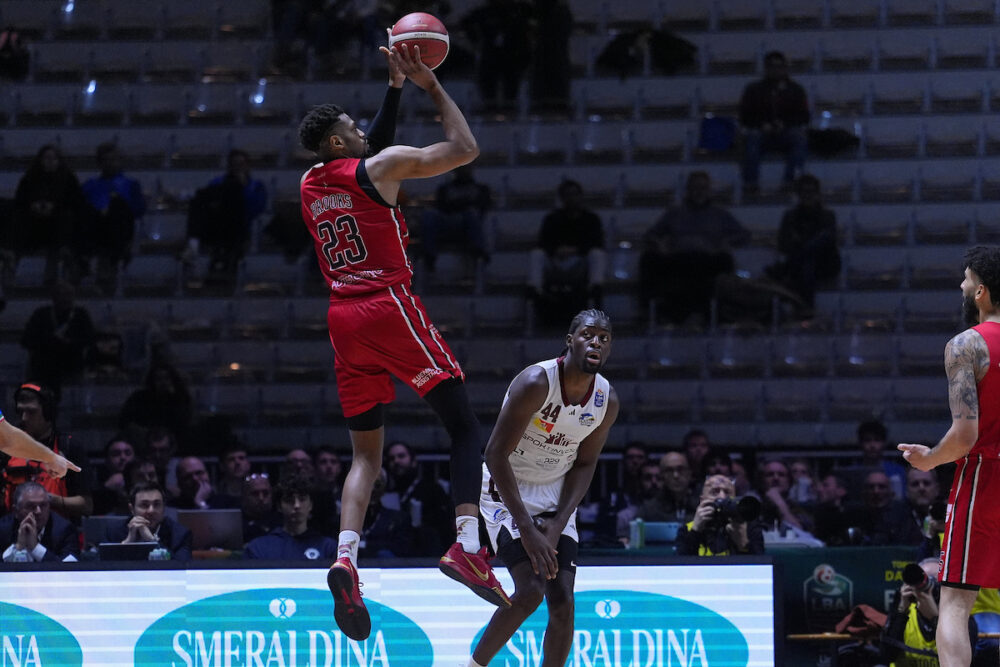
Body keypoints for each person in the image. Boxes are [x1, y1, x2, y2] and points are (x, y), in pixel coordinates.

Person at [297, 42, 509, 641]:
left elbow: (369, 156)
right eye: (352, 127)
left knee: (367, 456)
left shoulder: (311, 181)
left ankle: (346, 559)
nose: (363, 129)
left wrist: (391, 90)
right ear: (338, 141)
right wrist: (429, 86)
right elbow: (465, 149)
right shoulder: (379, 168)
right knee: (464, 425)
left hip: (341, 318)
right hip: (388, 306)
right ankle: (468, 544)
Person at [467, 309, 619, 667]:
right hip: (507, 489)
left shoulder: (606, 400)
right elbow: (495, 453)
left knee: (563, 601)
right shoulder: (537, 381)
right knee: (531, 590)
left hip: (555, 494)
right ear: (570, 341)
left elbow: (585, 463)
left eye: (604, 338)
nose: (596, 341)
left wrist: (557, 522)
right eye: (587, 335)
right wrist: (526, 527)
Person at [898, 245, 1000, 667]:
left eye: (965, 278)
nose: (961, 284)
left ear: (980, 289)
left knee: (956, 602)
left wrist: (929, 459)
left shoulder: (967, 345)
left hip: (985, 477)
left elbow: (964, 435)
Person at [638, 171, 750, 326]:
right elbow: (651, 234)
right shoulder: (675, 213)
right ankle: (650, 312)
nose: (699, 192)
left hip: (707, 259)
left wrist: (727, 243)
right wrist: (659, 245)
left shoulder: (719, 214)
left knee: (725, 260)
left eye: (703, 188)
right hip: (678, 258)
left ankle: (715, 314)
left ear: (709, 190)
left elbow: (744, 235)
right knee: (648, 258)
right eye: (695, 188)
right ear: (688, 190)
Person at [1, 383, 91, 519]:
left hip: (58, 532)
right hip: (12, 528)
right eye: (20, 412)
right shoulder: (6, 449)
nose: (24, 418)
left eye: (31, 412)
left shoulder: (67, 445)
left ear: (49, 413)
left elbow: (87, 506)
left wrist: (45, 498)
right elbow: (11, 441)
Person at [527, 180, 607, 326]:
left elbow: (597, 242)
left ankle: (595, 289)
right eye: (567, 195)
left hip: (579, 264)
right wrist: (557, 250)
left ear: (581, 196)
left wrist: (575, 250)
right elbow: (543, 242)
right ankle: (535, 291)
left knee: (597, 254)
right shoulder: (552, 219)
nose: (572, 199)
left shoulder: (591, 219)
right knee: (536, 254)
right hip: (556, 262)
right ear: (562, 198)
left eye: (575, 194)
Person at [182, 148, 267, 279]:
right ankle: (194, 244)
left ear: (247, 166)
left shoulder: (256, 186)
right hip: (217, 226)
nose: (238, 168)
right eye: (234, 165)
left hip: (239, 228)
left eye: (241, 164)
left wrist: (243, 187)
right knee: (199, 200)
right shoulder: (218, 183)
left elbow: (255, 209)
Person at [12, 144, 88, 286]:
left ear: (59, 161)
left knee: (65, 221)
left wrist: (55, 207)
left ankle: (54, 273)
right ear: (40, 160)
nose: (50, 161)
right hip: (33, 226)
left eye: (54, 158)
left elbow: (76, 203)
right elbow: (19, 202)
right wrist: (32, 206)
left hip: (58, 227)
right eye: (47, 158)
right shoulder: (28, 179)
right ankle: (9, 272)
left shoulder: (68, 179)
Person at [881, 558, 977, 666]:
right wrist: (901, 612)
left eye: (934, 581)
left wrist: (935, 619)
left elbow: (964, 659)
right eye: (922, 578)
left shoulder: (959, 615)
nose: (925, 584)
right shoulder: (903, 610)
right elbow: (886, 656)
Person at [767, 174, 841, 313]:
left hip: (824, 263)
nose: (808, 196)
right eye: (804, 192)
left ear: (818, 194)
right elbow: (783, 244)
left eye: (811, 192)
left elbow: (827, 243)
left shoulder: (828, 216)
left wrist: (802, 245)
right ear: (798, 194)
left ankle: (803, 308)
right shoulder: (790, 217)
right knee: (807, 262)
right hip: (803, 263)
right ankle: (806, 309)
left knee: (810, 254)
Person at [738, 50, 810, 192]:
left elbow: (804, 116)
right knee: (752, 138)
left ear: (785, 67)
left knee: (799, 138)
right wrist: (761, 125)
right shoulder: (753, 89)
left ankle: (790, 183)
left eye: (779, 66)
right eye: (772, 66)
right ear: (766, 68)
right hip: (761, 133)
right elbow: (744, 116)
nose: (776, 70)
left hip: (786, 133)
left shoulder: (796, 89)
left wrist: (785, 124)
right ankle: (751, 184)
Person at [80, 141, 146, 295]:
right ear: (99, 163)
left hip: (119, 230)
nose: (110, 164)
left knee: (117, 205)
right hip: (96, 229)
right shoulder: (89, 185)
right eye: (106, 160)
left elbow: (139, 209)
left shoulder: (131, 184)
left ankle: (109, 262)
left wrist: (116, 206)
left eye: (113, 159)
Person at [20, 281, 95, 391]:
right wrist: (48, 342)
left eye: (69, 295)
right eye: (61, 294)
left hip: (71, 360)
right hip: (44, 362)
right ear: (53, 297)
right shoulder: (41, 314)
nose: (65, 298)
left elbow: (90, 338)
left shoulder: (81, 315)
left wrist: (69, 343)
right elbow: (26, 340)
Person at [244, 474, 339, 561]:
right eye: (289, 500)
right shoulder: (258, 548)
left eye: (302, 499)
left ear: (310, 505)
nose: (296, 505)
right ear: (279, 506)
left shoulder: (328, 547)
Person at [418, 165, 492, 275]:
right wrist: (464, 203)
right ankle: (429, 256)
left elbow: (483, 207)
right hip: (447, 222)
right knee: (429, 214)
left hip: (467, 224)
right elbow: (442, 206)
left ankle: (478, 254)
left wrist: (457, 204)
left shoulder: (481, 189)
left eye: (466, 168)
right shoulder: (444, 189)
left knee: (471, 213)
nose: (463, 171)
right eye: (460, 168)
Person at [382, 440, 452, 555]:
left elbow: (443, 525)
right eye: (391, 458)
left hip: (427, 551)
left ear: (414, 461)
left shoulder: (431, 489)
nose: (396, 461)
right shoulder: (386, 493)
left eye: (401, 456)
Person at [675, 474, 764, 556]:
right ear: (702, 500)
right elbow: (682, 568)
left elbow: (762, 569)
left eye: (727, 492)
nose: (722, 497)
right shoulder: (687, 529)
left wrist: (743, 543)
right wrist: (696, 531)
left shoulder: (749, 528)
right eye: (714, 492)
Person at [104, 481, 192, 562]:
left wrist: (152, 542)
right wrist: (127, 544)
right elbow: (101, 566)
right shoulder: (113, 531)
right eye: (144, 505)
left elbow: (182, 567)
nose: (151, 511)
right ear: (132, 509)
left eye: (157, 504)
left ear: (164, 507)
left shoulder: (180, 534)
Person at [0, 481, 80, 562]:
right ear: (16, 511)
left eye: (43, 505)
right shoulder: (2, 529)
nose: (38, 511)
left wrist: (35, 548)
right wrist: (18, 547)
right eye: (30, 506)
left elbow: (67, 570)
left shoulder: (65, 530)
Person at [118, 361, 194, 442]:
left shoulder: (182, 398)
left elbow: (183, 423)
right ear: (152, 380)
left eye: (167, 378)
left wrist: (174, 399)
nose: (163, 382)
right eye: (159, 379)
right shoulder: (139, 398)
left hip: (174, 440)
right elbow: (125, 421)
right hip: (145, 440)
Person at [91, 432, 138, 515]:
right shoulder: (96, 482)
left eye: (127, 453)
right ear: (107, 459)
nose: (123, 457)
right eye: (116, 454)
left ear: (134, 457)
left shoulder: (145, 476)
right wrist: (106, 488)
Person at [169, 456, 238, 510]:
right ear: (179, 483)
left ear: (208, 475)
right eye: (188, 476)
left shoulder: (228, 504)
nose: (195, 479)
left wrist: (200, 503)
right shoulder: (171, 507)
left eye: (199, 473)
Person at [242, 473, 281, 544]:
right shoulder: (237, 523)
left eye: (265, 493)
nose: (261, 498)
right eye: (255, 494)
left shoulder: (283, 521)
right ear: (245, 496)